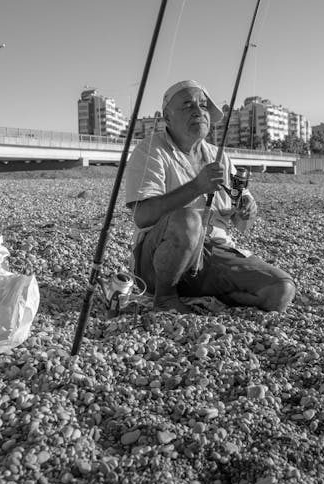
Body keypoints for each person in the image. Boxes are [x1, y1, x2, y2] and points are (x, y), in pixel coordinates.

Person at [125, 79, 295, 314]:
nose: (198, 111)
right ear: (167, 116)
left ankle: (203, 296)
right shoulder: (150, 150)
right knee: (189, 220)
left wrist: (247, 210)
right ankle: (165, 298)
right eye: (187, 105)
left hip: (215, 251)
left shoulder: (220, 156)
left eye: (203, 105)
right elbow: (142, 216)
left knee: (281, 290)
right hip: (157, 262)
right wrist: (196, 187)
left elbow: (243, 223)